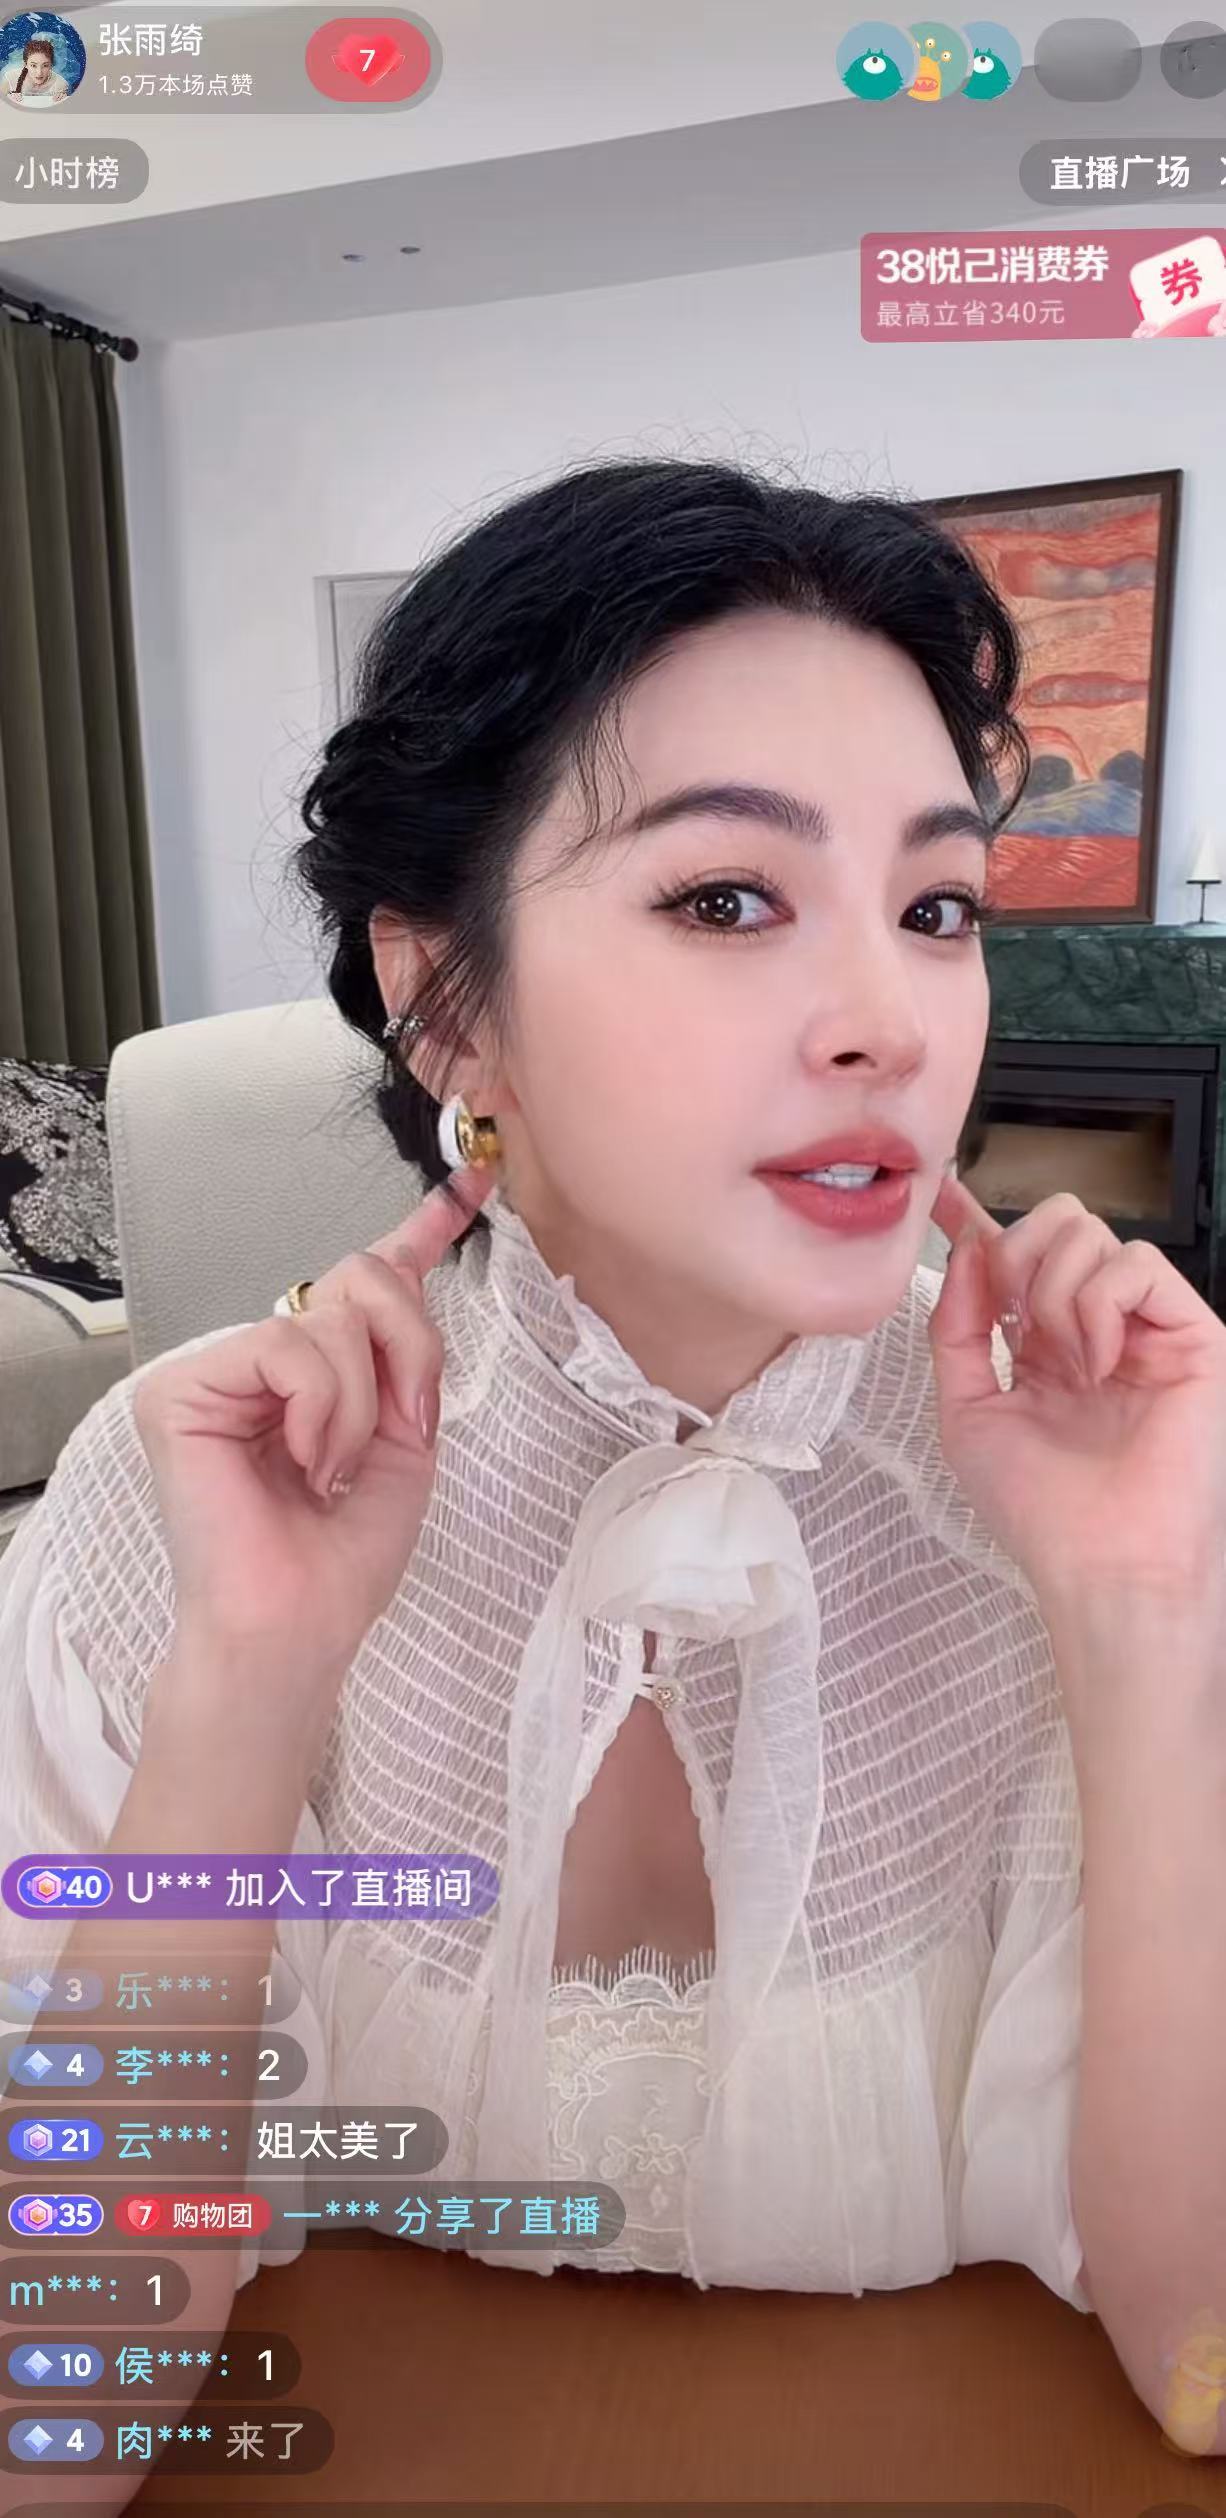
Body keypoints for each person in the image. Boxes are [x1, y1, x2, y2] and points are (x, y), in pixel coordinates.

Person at [0, 456, 1094, 2319]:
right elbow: (64, 2386)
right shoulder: (169, 1497)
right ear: (444, 1001)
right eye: (729, 896)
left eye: (936, 907)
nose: (891, 1026)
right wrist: (249, 1680)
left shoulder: (1092, 1494)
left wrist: (1146, 1610)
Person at [2, 33, 69, 105]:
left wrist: (63, 99)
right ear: (25, 65)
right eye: (33, 65)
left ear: (51, 65)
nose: (39, 73)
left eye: (45, 65)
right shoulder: (10, 79)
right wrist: (7, 99)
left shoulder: (60, 84)